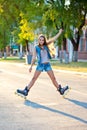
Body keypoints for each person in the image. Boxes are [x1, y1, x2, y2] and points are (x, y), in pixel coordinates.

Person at [17, 29, 69, 97]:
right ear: (38, 40)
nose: (41, 41)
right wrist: (31, 66)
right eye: (40, 40)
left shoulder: (46, 45)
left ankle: (60, 90)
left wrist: (59, 33)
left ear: (44, 40)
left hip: (47, 65)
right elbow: (34, 57)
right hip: (40, 65)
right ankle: (26, 91)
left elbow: (53, 39)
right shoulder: (36, 47)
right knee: (34, 78)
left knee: (53, 78)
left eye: (43, 40)